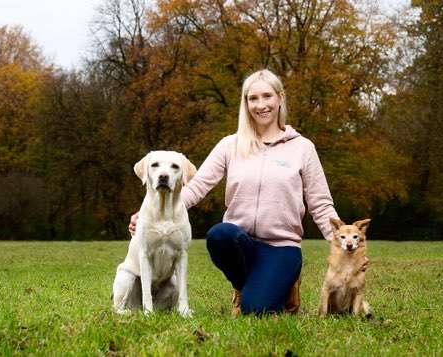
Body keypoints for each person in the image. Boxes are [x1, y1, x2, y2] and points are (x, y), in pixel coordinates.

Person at [129, 69, 340, 314]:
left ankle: (282, 284)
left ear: (280, 97)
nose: (261, 105)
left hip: (282, 247)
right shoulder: (230, 145)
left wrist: (341, 237)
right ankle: (245, 285)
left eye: (267, 96)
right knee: (219, 235)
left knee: (256, 309)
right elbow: (195, 187)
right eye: (253, 98)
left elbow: (321, 202)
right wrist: (150, 215)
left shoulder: (303, 148)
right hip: (241, 243)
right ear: (246, 103)